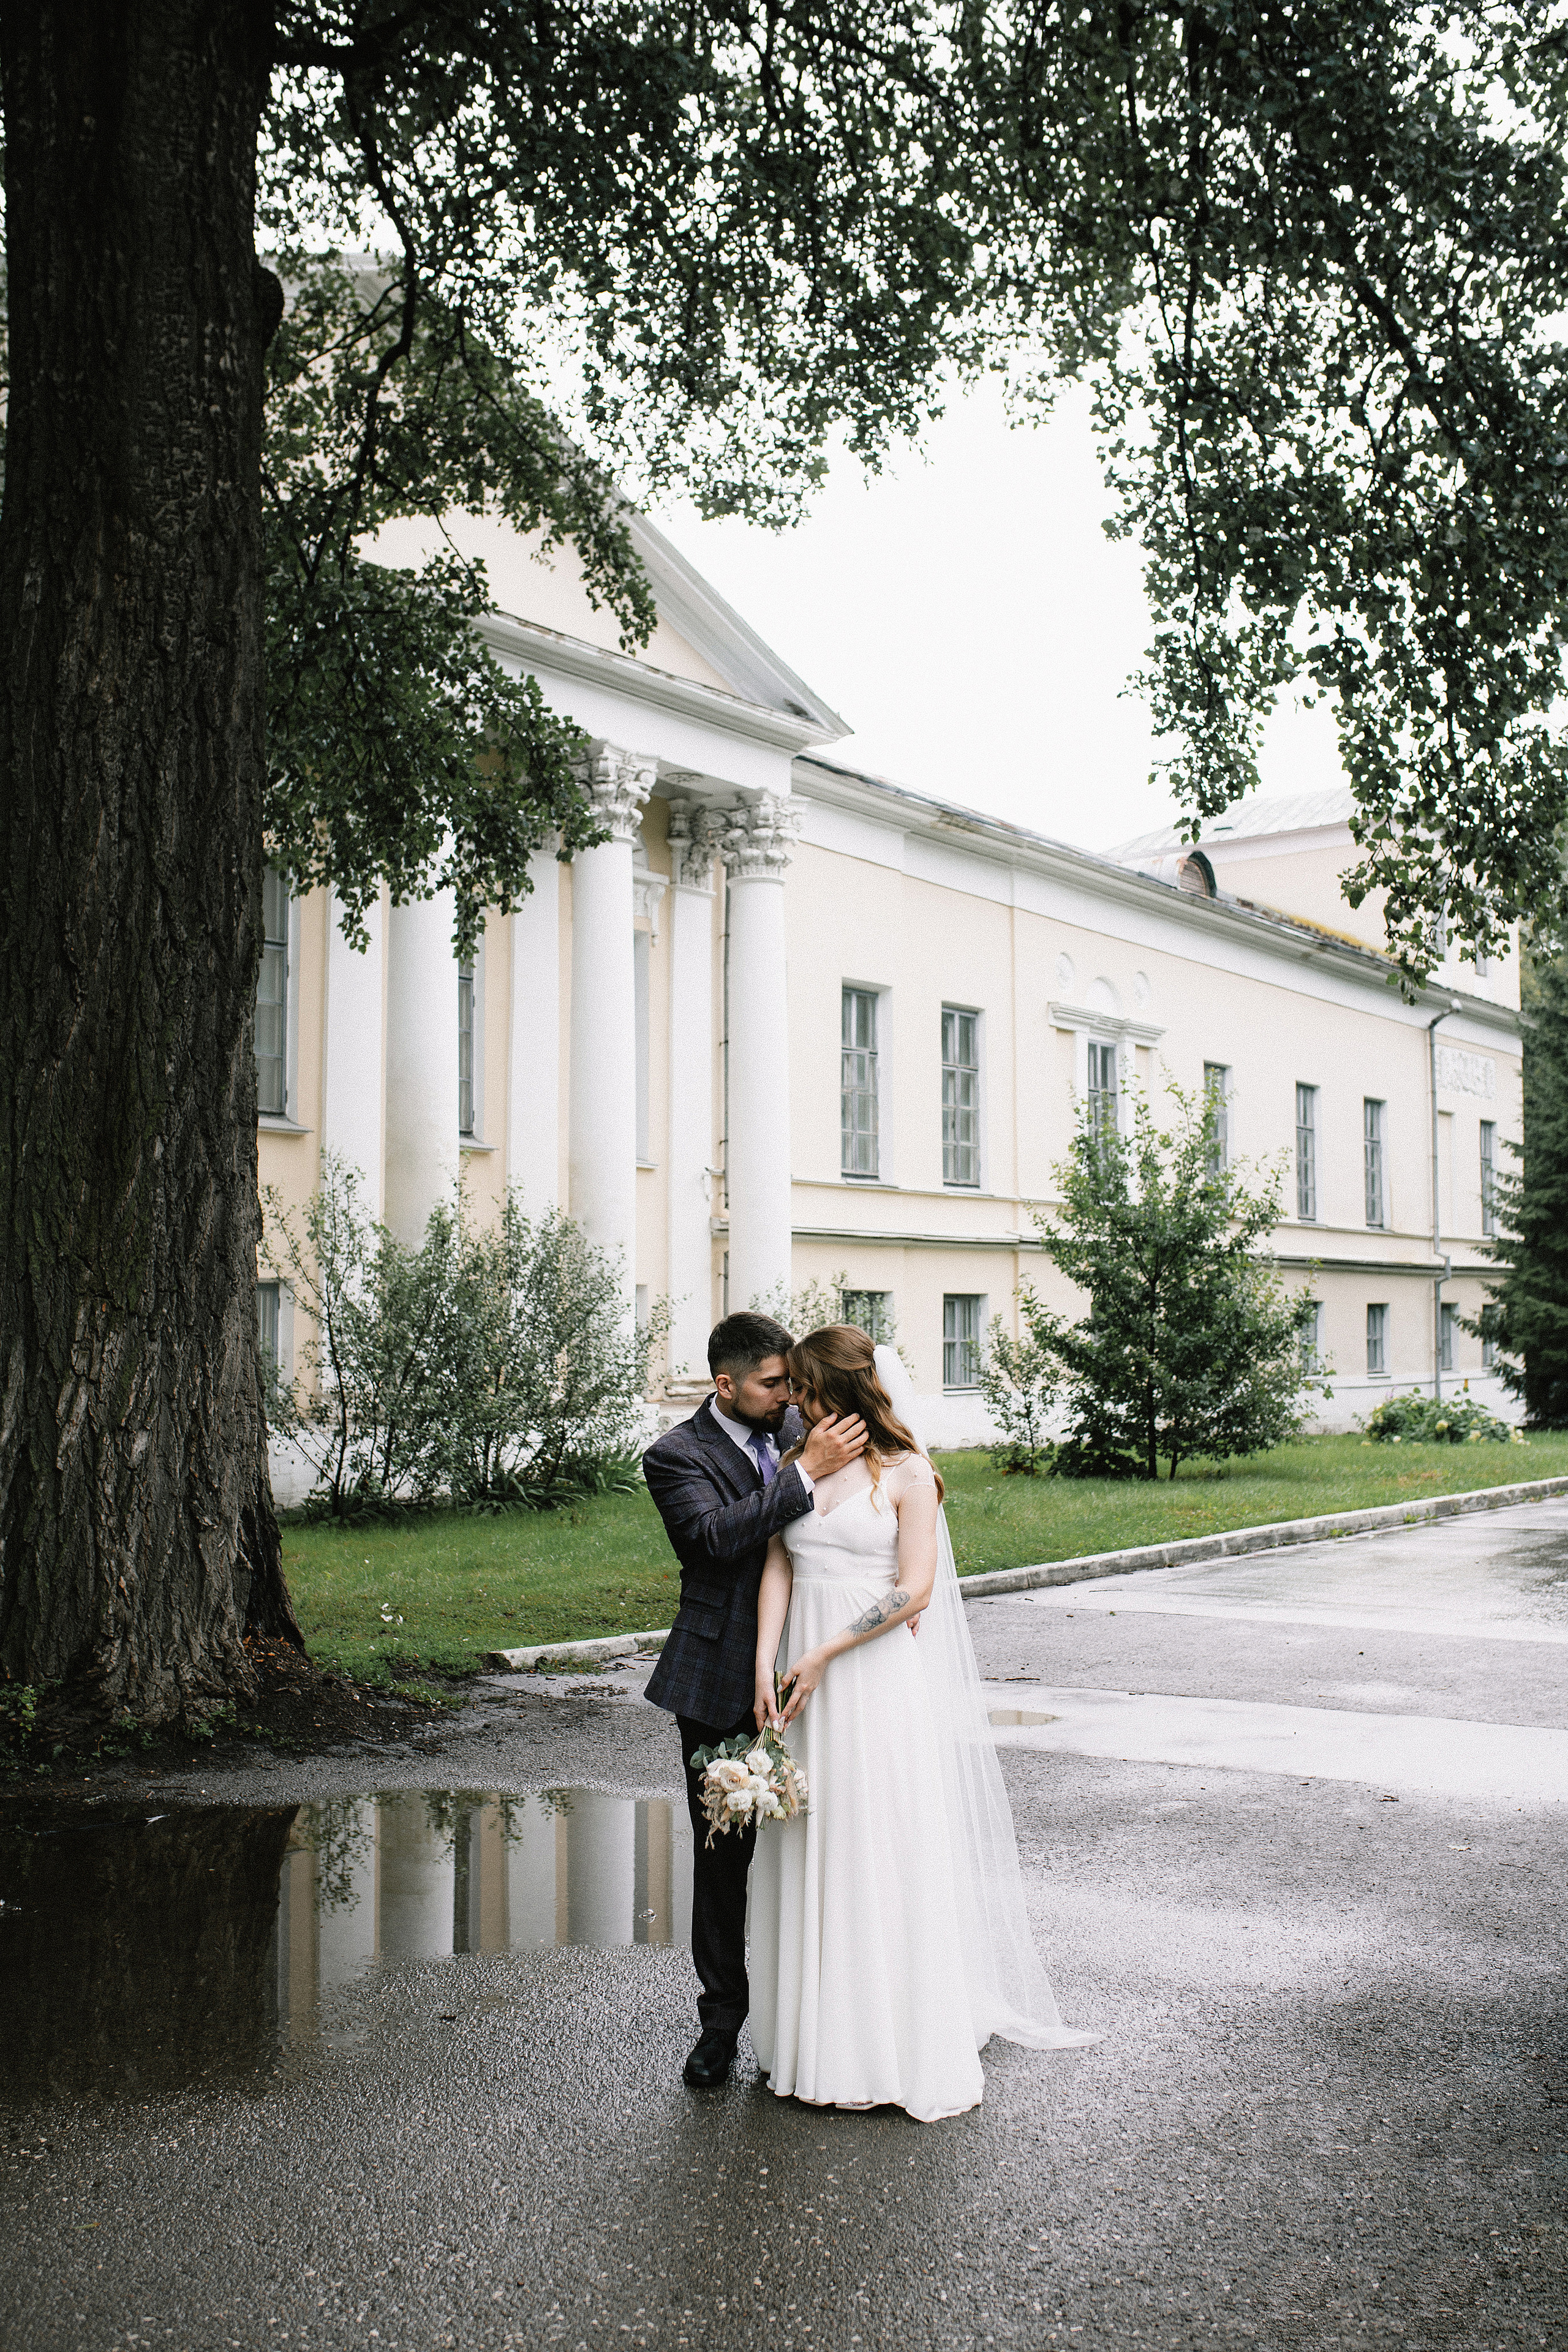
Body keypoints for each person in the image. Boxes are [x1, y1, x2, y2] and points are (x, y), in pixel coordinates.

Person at [748, 1324, 1098, 2120]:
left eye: (803, 1386)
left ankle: (883, 2044)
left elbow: (914, 1591)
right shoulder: (799, 1464)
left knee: (875, 1843)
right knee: (809, 1840)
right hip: (799, 1673)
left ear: (840, 1389)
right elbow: (777, 1561)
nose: (795, 1400)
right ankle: (811, 2038)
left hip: (869, 1678)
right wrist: (765, 1661)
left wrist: (828, 1651)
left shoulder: (910, 1475)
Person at [641, 1311, 870, 2090]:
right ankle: (721, 2026)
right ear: (725, 1384)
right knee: (724, 1856)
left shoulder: (807, 1419)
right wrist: (801, 1474)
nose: (789, 1399)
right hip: (718, 1676)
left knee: (833, 1842)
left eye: (790, 1383)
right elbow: (713, 1539)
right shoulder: (675, 1457)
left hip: (819, 1670)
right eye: (772, 1385)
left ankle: (833, 2012)